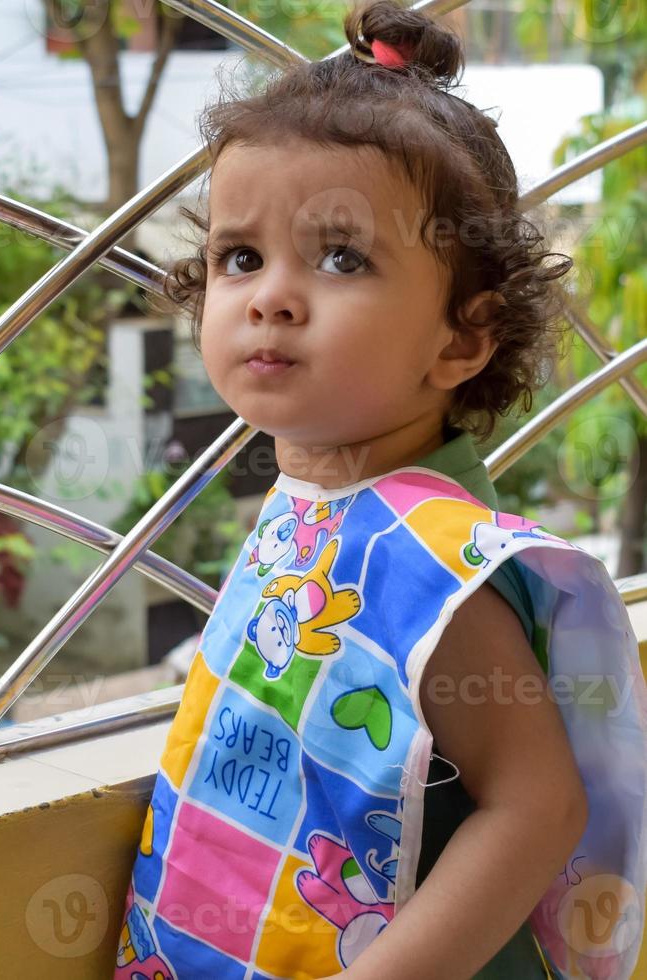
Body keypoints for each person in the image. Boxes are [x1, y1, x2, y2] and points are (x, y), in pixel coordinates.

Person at [112, 1, 647, 978]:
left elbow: (537, 805)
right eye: (240, 256)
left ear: (460, 338)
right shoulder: (314, 502)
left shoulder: (429, 554)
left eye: (340, 257)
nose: (269, 293)